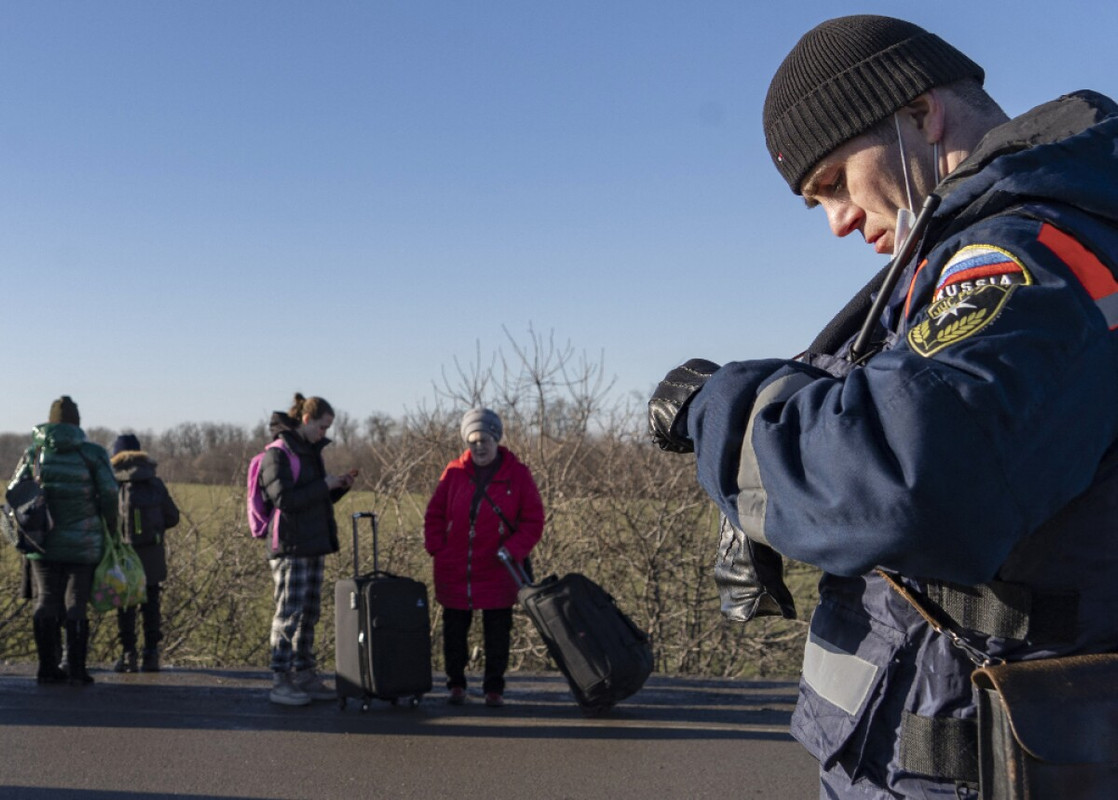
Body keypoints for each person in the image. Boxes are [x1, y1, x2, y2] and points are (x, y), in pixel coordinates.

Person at [648, 15, 1118, 799]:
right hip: (918, 756)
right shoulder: (984, 247)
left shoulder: (1032, 254)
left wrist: (720, 413)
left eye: (835, 182)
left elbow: (906, 476)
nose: (837, 221)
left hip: (984, 766)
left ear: (920, 114)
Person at [424, 408, 544, 707]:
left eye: (484, 440)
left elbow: (533, 521)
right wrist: (437, 547)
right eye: (473, 441)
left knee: (497, 632)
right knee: (454, 630)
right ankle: (455, 684)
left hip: (498, 568)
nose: (478, 447)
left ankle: (494, 689)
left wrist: (512, 550)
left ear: (496, 439)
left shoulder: (518, 474)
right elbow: (435, 513)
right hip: (455, 568)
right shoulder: (453, 472)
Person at [8, 396, 119, 686]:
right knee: (76, 602)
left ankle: (47, 668)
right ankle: (76, 669)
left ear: (50, 421)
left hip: (40, 540)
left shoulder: (34, 452)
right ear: (77, 423)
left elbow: (13, 490)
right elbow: (110, 492)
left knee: (45, 599)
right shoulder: (92, 453)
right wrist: (109, 525)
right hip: (83, 543)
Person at [259, 393, 354, 706]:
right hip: (290, 546)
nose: (324, 433)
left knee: (309, 614)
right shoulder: (278, 453)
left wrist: (336, 488)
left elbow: (313, 499)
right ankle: (281, 679)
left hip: (313, 543)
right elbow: (284, 500)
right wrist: (324, 485)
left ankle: (304, 674)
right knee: (288, 614)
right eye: (322, 426)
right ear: (306, 419)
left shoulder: (310, 453)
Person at [109, 433, 180, 673]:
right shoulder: (154, 482)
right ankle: (151, 654)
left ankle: (128, 654)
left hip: (123, 555)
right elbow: (173, 517)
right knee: (151, 604)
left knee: (125, 605)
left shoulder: (112, 482)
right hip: (152, 555)